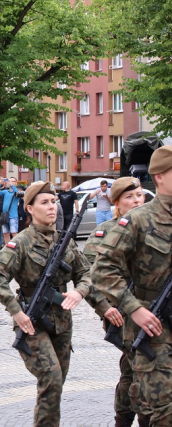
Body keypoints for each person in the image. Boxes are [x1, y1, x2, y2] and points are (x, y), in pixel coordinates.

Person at [0, 181, 92, 426]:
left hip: (62, 322)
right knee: (51, 377)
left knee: (56, 384)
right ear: (31, 209)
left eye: (53, 202)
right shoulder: (21, 242)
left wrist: (80, 292)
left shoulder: (65, 241)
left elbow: (86, 273)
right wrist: (16, 312)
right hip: (31, 322)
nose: (52, 207)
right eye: (44, 202)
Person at [91, 145, 172, 425]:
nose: (135, 198)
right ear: (160, 176)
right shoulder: (138, 220)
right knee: (162, 411)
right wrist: (133, 308)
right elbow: (102, 269)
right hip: (154, 326)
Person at [82, 177, 149, 426]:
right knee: (142, 369)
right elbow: (87, 276)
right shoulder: (105, 232)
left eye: (140, 195)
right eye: (130, 197)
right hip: (122, 315)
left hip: (154, 311)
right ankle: (141, 418)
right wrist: (105, 308)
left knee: (133, 370)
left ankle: (125, 419)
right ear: (116, 202)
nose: (137, 201)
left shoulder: (155, 229)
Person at [0, 177, 22, 244]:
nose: (10, 182)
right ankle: (8, 247)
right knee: (5, 233)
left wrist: (11, 185)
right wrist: (0, 184)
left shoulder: (17, 192)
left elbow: (16, 192)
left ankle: (17, 247)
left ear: (16, 183)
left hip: (13, 216)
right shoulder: (6, 192)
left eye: (13, 181)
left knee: (14, 232)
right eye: (9, 181)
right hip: (5, 215)